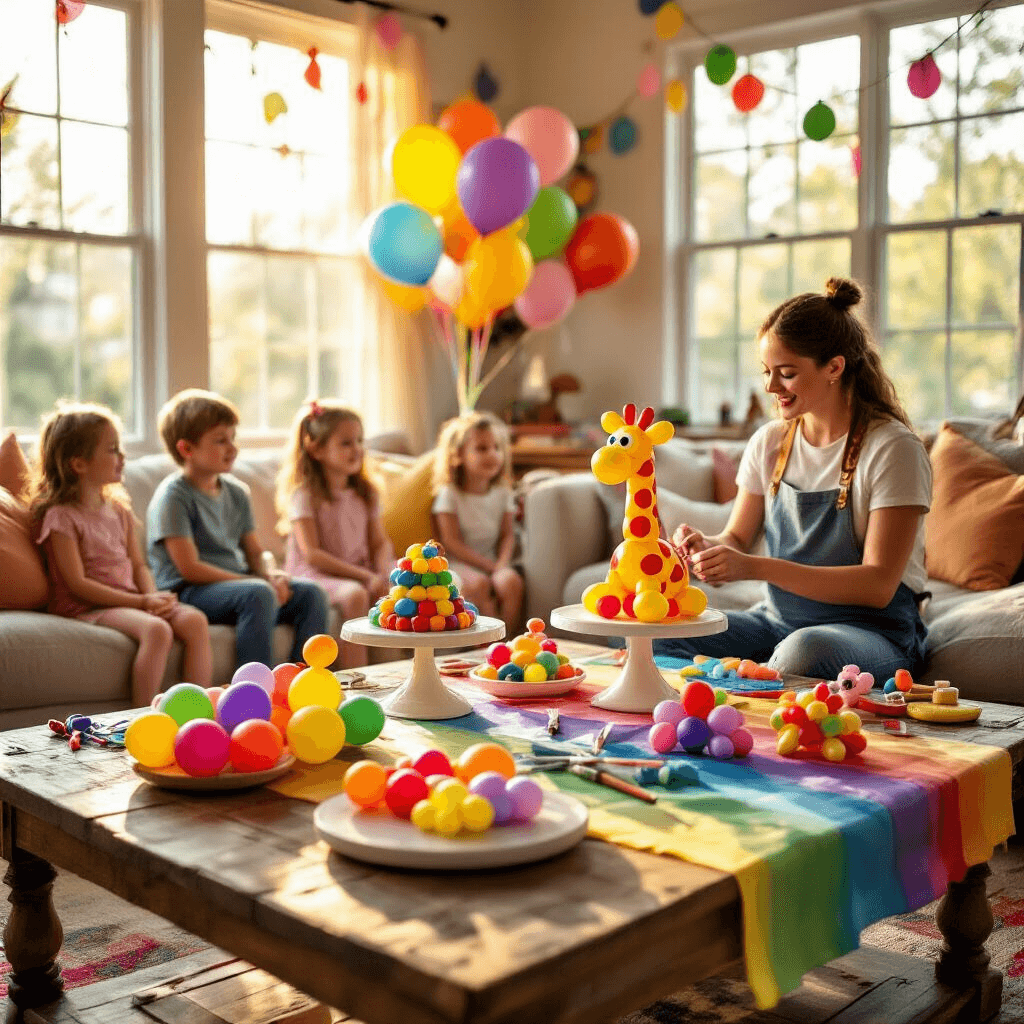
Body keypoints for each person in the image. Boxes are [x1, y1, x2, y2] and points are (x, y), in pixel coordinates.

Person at [654, 277, 932, 681]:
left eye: (785, 373)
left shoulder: (893, 449)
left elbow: (878, 584)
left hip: (874, 634)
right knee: (655, 636)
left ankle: (750, 685)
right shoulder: (770, 442)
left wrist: (756, 567)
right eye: (766, 371)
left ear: (834, 367)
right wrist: (707, 550)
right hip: (777, 623)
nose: (770, 387)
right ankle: (726, 700)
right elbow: (736, 539)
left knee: (803, 652)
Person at [29, 402, 211, 706]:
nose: (122, 457)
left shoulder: (120, 511)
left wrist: (154, 596)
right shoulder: (61, 517)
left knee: (195, 622)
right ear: (79, 464)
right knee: (157, 631)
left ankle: (198, 713)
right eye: (112, 449)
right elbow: (77, 585)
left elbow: (139, 565)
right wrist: (142, 602)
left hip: (131, 597)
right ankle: (141, 717)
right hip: (85, 606)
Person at [147, 389, 329, 670]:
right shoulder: (173, 496)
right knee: (257, 593)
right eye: (220, 440)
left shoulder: (237, 492)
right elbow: (189, 568)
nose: (232, 448)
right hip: (190, 591)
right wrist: (256, 582)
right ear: (187, 449)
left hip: (238, 585)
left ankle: (301, 680)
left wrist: (270, 575)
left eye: (233, 438)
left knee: (311, 594)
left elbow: (255, 552)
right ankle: (255, 688)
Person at [275, 400, 393, 667]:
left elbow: (380, 541)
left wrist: (382, 569)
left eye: (359, 441)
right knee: (355, 595)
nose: (357, 449)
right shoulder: (304, 495)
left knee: (402, 586)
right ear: (316, 450)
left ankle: (397, 674)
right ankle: (358, 677)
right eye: (346, 443)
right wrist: (365, 576)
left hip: (359, 567)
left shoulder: (367, 492)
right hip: (316, 574)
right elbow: (313, 555)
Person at [431, 411, 523, 627]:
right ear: (457, 455)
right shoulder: (449, 493)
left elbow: (508, 535)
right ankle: (483, 645)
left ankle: (507, 638)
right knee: (478, 584)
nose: (492, 454)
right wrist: (488, 567)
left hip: (494, 561)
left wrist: (500, 565)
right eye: (482, 448)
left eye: (496, 448)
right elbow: (450, 542)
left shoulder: (503, 493)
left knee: (510, 582)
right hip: (458, 563)